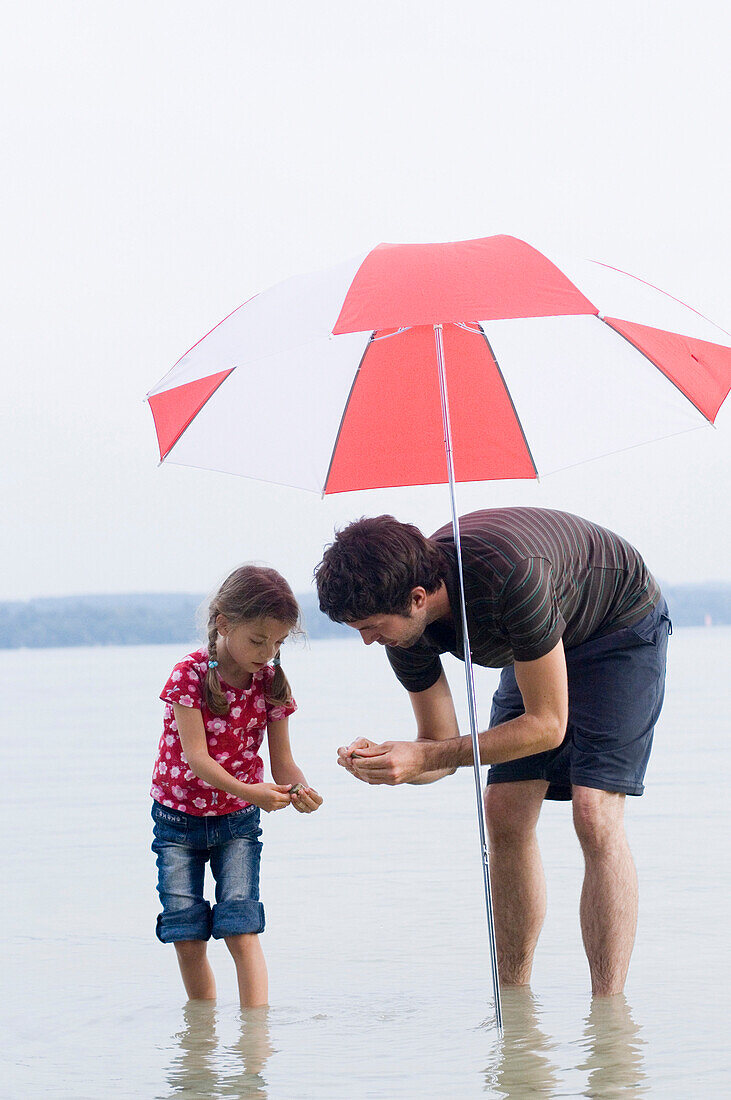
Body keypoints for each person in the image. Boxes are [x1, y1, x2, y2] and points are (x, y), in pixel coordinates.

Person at [315, 508, 671, 996]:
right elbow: (437, 746)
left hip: (618, 625)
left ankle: (607, 1013)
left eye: (372, 627)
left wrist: (428, 757)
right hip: (541, 638)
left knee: (593, 811)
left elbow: (547, 725)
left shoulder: (510, 576)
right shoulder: (403, 630)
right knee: (502, 809)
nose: (366, 641)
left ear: (417, 598)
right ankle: (515, 998)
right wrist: (390, 763)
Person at [150, 564, 323, 1007]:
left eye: (278, 643)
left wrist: (300, 791)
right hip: (177, 822)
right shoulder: (187, 675)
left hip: (237, 825)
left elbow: (282, 763)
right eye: (258, 640)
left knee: (241, 927)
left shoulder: (270, 683)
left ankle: (255, 1044)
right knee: (187, 934)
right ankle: (201, 1037)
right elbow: (197, 759)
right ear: (223, 623)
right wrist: (252, 792)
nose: (267, 654)